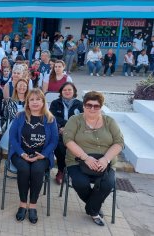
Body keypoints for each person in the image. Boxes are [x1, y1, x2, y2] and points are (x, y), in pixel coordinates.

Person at [63, 91, 124, 226]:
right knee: (80, 183)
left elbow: (119, 142)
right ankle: (94, 209)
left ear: (101, 107)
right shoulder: (75, 120)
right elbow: (67, 140)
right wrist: (86, 158)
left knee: (107, 184)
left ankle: (92, 208)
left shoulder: (109, 122)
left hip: (105, 163)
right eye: (89, 105)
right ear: (83, 105)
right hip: (77, 161)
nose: (92, 108)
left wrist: (105, 159)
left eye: (96, 106)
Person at [9, 88, 58, 224]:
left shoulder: (50, 119)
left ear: (43, 102)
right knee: (24, 169)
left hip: (42, 155)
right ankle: (23, 203)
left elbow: (54, 140)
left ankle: (33, 205)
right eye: (32, 99)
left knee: (37, 170)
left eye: (38, 99)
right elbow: (12, 138)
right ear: (27, 102)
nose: (35, 102)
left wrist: (43, 154)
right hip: (20, 153)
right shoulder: (20, 116)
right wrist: (22, 153)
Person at [48, 82, 84, 185]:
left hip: (75, 133)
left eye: (69, 90)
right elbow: (52, 117)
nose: (67, 92)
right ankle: (61, 171)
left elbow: (81, 120)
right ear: (61, 92)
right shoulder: (55, 103)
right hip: (59, 131)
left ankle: (71, 171)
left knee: (73, 147)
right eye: (65, 90)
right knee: (59, 146)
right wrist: (62, 127)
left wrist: (68, 128)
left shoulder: (80, 104)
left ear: (74, 91)